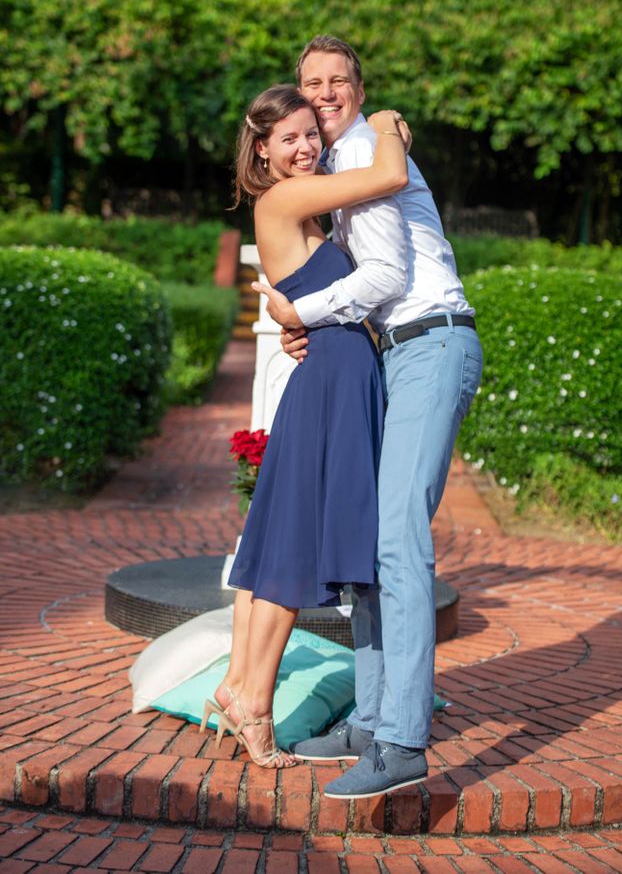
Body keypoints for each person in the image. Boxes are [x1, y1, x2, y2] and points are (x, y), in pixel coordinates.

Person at [253, 36, 483, 798]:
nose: (324, 93)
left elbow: (385, 275)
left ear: (358, 87)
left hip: (429, 343)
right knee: (371, 553)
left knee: (396, 546)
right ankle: (371, 717)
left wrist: (299, 309)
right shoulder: (341, 162)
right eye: (311, 84)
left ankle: (403, 744)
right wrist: (307, 325)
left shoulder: (366, 156)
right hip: (395, 354)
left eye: (337, 81)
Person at [201, 84, 411, 768]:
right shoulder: (283, 199)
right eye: (287, 137)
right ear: (261, 149)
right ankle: (255, 706)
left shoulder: (304, 205)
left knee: (279, 541)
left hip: (331, 372)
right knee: (296, 544)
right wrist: (385, 123)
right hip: (330, 381)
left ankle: (240, 688)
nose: (304, 146)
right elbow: (388, 175)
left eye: (308, 134)